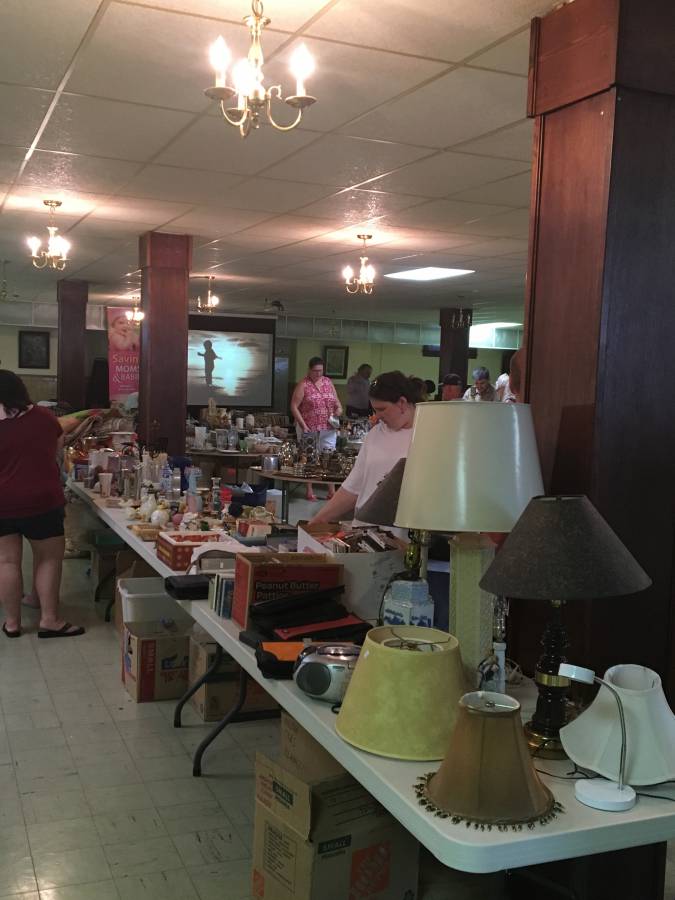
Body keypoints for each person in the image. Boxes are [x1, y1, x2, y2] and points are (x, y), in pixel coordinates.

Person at [0, 371, 84, 638]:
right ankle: (49, 620)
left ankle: (12, 624)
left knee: (6, 562)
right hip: (42, 501)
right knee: (48, 558)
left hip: (2, 504)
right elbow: (57, 449)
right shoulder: (44, 417)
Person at [308, 371, 422, 528]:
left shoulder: (425, 436)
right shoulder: (375, 434)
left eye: (382, 409)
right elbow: (353, 487)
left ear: (402, 403)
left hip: (401, 533)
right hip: (365, 529)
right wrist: (318, 520)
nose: (377, 416)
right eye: (375, 410)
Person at [291, 356, 343, 501]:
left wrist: (339, 410)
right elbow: (294, 406)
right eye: (315, 371)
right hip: (309, 426)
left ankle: (332, 491)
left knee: (329, 457)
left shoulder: (328, 382)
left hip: (328, 427)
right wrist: (303, 425)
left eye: (320, 371)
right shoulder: (303, 384)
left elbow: (337, 403)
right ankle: (309, 490)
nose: (318, 374)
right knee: (310, 458)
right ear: (309, 370)